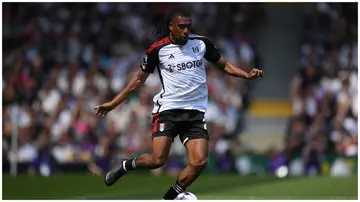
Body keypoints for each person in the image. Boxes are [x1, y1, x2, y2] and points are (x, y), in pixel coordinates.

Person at [94, 8, 264, 200]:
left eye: (188, 27)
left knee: (199, 162)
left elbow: (224, 65)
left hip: (195, 113)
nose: (186, 31)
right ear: (171, 27)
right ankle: (126, 165)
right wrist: (113, 103)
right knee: (157, 160)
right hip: (168, 110)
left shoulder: (200, 43)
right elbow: (138, 80)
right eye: (182, 27)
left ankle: (169, 198)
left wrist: (246, 74)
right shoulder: (157, 50)